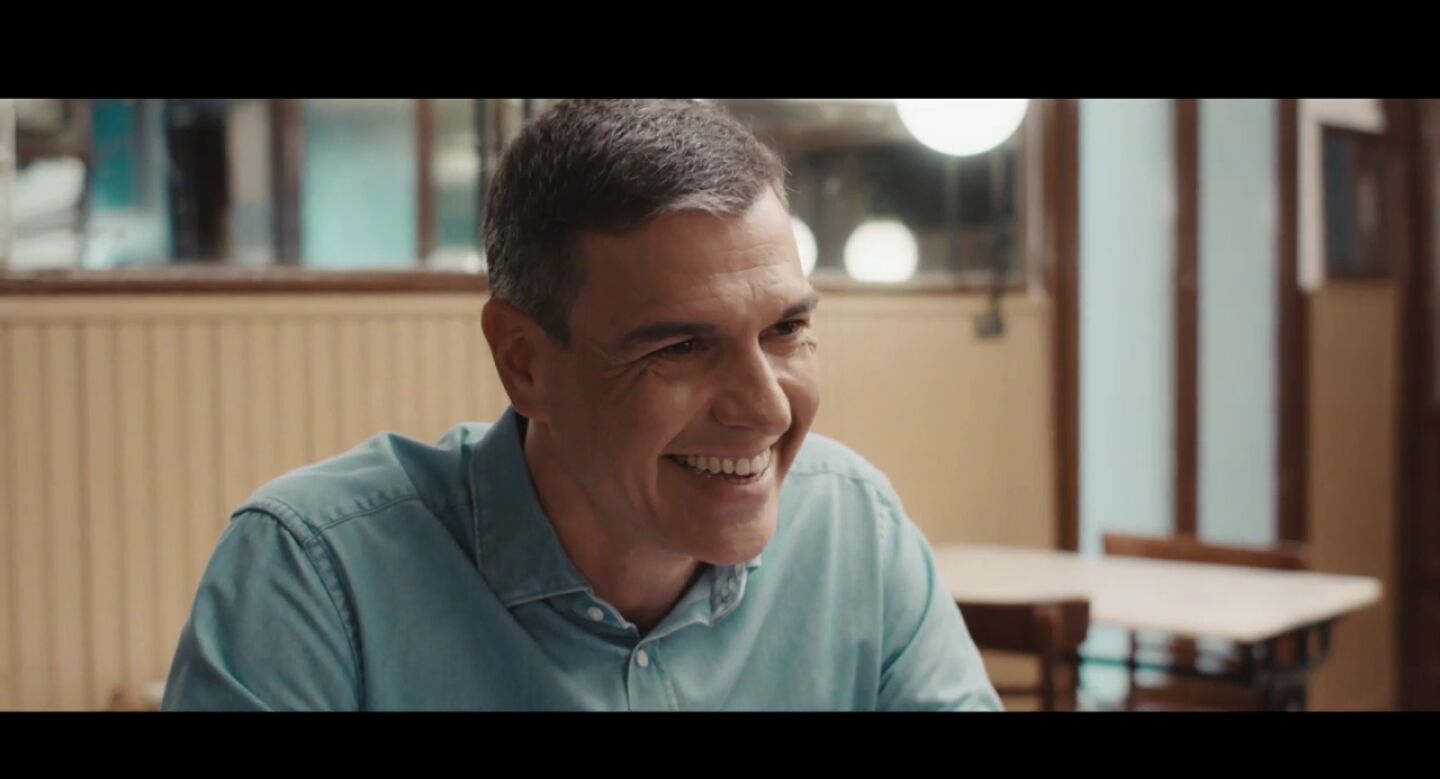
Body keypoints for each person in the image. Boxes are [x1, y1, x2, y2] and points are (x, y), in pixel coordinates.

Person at [163, 98, 1001, 711]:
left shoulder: (856, 530)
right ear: (524, 364)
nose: (768, 410)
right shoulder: (316, 575)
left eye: (786, 330)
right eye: (681, 347)